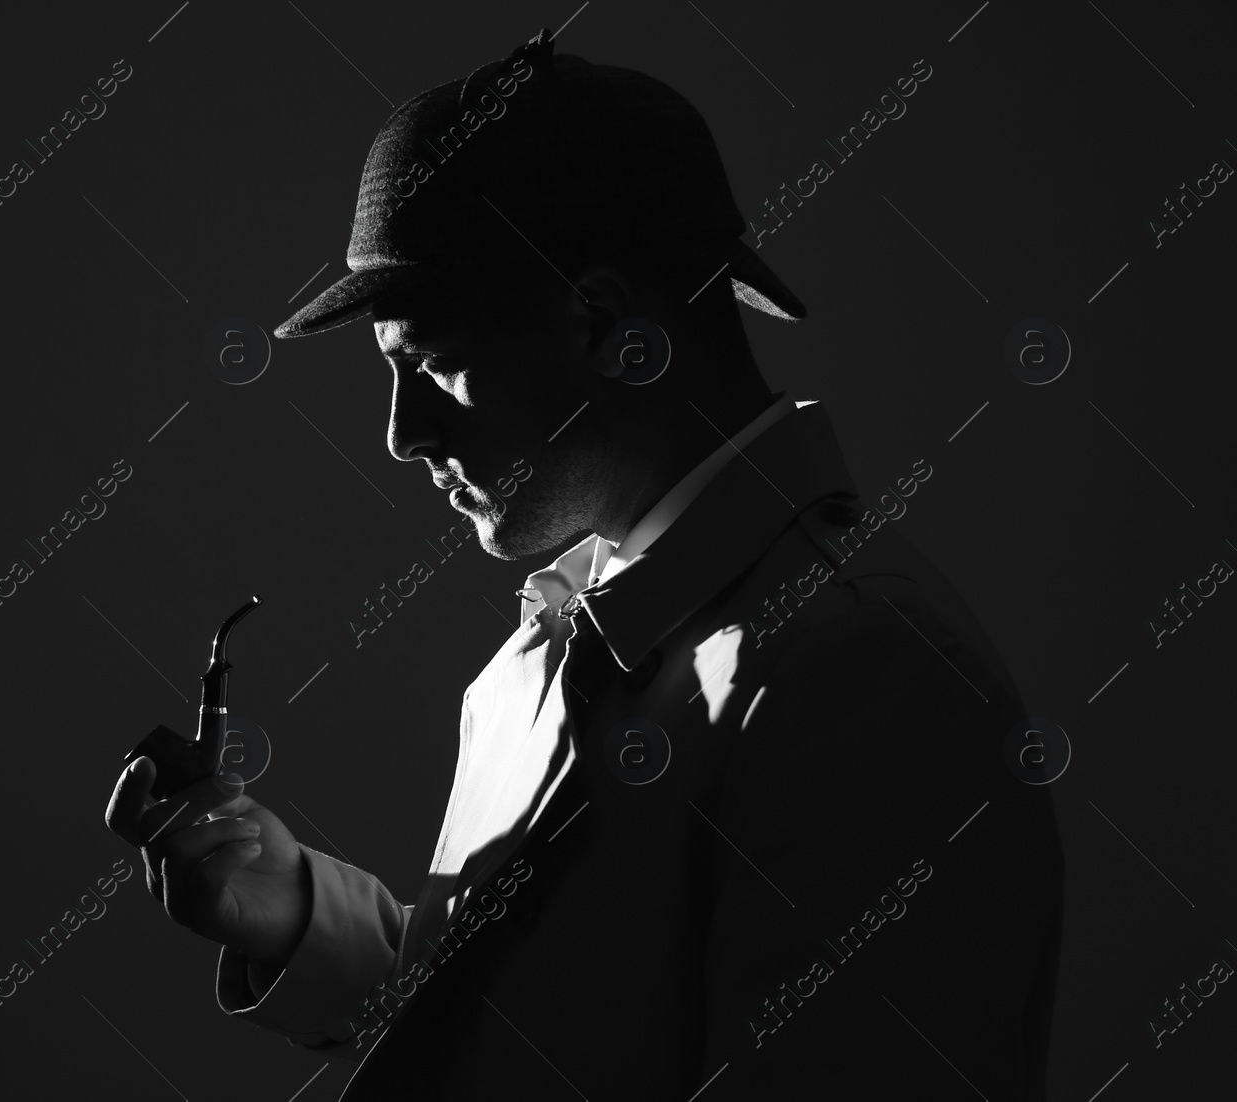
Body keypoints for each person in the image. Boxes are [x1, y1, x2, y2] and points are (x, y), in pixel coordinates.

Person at [106, 28, 1064, 1101]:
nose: (398, 434)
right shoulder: (552, 648)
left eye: (427, 361)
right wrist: (291, 908)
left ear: (607, 322)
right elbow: (548, 1040)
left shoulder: (868, 678)